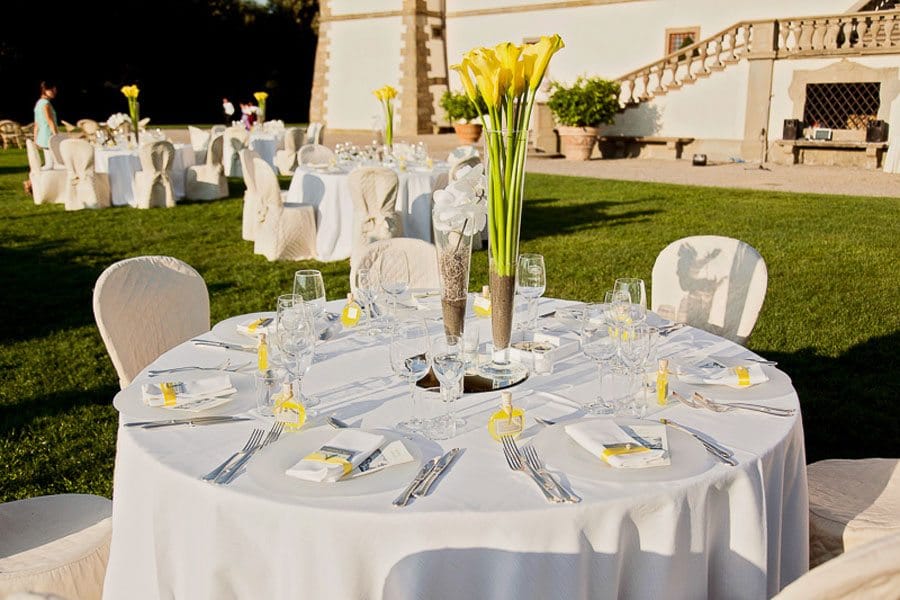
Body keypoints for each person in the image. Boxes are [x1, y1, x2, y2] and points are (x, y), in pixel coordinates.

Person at [34, 80, 59, 164]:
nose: (54, 92)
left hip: (42, 136)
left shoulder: (39, 103)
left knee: (49, 161)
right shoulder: (46, 104)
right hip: (48, 136)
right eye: (52, 90)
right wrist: (56, 136)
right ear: (45, 90)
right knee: (52, 162)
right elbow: (50, 121)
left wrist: (35, 139)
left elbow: (36, 124)